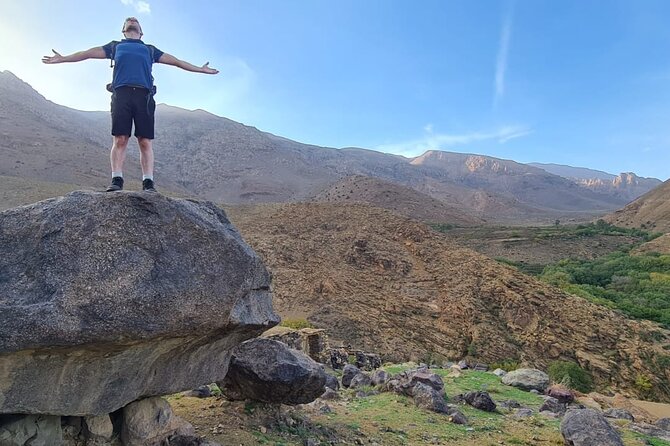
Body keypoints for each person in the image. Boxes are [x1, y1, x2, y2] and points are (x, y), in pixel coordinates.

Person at [42, 17, 219, 192]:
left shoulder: (150, 50)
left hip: (144, 95)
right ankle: (116, 180)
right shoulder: (115, 46)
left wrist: (200, 69)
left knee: (145, 141)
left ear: (141, 31)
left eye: (135, 21)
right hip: (121, 93)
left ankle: (148, 183)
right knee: (120, 138)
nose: (132, 20)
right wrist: (63, 58)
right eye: (128, 21)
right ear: (124, 30)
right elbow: (87, 54)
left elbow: (178, 62)